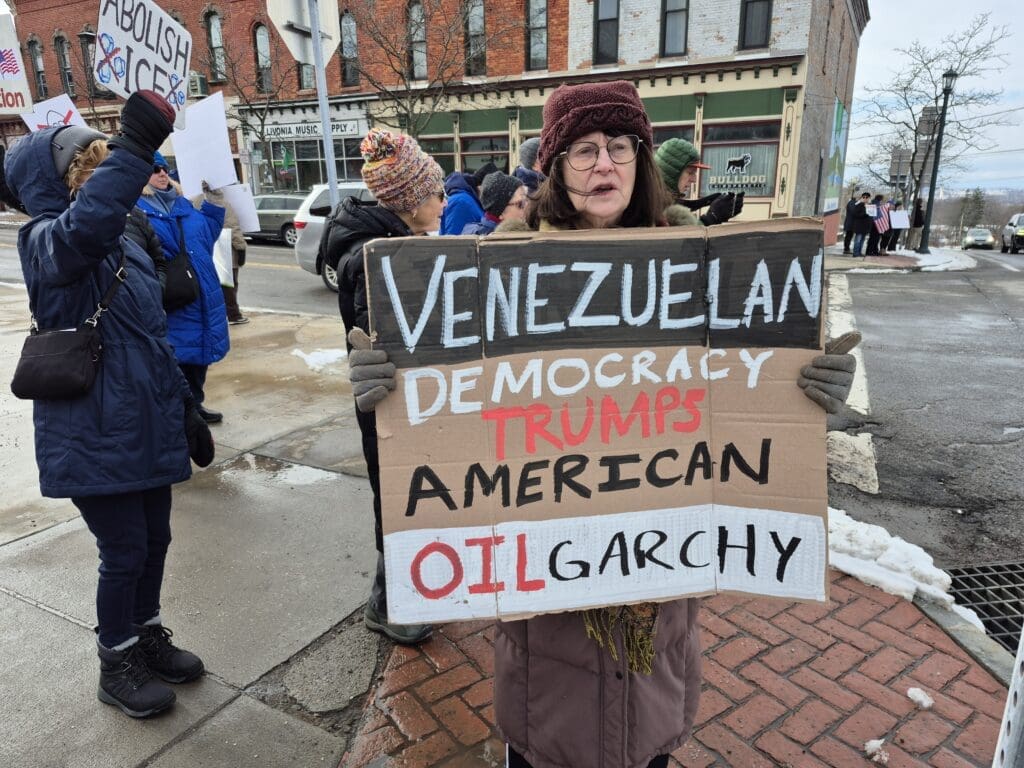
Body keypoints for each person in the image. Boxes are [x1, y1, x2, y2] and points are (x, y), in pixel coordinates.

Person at [346, 79, 858, 768]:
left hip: (658, 599)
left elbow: (743, 410)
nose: (603, 165)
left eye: (619, 146)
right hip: (548, 634)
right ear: (555, 165)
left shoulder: (702, 269)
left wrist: (804, 395)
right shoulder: (496, 273)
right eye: (583, 149)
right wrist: (390, 390)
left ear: (642, 158)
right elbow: (455, 418)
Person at [0, 92, 214, 719]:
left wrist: (185, 408)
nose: (100, 178)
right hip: (92, 428)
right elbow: (86, 225)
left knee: (155, 540)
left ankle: (145, 633)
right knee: (122, 551)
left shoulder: (126, 242)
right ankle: (115, 662)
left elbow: (151, 339)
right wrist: (135, 145)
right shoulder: (47, 242)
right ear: (55, 184)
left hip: (144, 419)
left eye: (103, 163)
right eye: (86, 168)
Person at [321, 127, 445, 645]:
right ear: (410, 200)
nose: (443, 200)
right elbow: (400, 343)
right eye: (435, 192)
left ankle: (392, 593)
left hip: (402, 400)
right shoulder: (378, 259)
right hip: (389, 403)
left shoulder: (394, 245)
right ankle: (388, 604)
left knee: (403, 494)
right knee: (399, 496)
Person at [136, 151, 228, 424]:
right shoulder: (138, 209)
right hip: (172, 297)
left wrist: (214, 201)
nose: (163, 173)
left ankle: (195, 406)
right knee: (177, 359)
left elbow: (208, 233)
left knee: (199, 356)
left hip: (201, 294)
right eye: (155, 169)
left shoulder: (183, 205)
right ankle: (181, 413)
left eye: (165, 168)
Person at [193, 181, 249, 325]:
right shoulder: (223, 203)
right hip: (225, 249)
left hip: (204, 248)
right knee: (229, 284)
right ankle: (233, 314)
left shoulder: (193, 200)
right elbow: (232, 227)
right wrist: (241, 247)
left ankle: (213, 314)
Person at [653, 137, 743, 225]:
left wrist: (700, 203)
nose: (694, 180)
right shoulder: (653, 209)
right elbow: (684, 237)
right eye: (690, 173)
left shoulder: (655, 200)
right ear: (671, 172)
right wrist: (712, 217)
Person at [439, 161, 497, 235]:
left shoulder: (470, 200)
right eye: (492, 189)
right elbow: (453, 241)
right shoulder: (461, 202)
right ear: (481, 186)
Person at [461, 172, 527, 234]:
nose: (526, 208)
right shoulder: (497, 240)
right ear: (501, 212)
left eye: (526, 201)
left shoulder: (474, 232)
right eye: (521, 204)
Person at [851, 192, 874, 257]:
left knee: (862, 240)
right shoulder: (858, 205)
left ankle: (859, 252)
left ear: (869, 198)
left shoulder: (870, 206)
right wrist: (865, 213)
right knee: (858, 240)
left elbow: (872, 216)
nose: (865, 199)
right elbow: (856, 214)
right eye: (864, 197)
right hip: (859, 226)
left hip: (866, 226)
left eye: (867, 197)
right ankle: (855, 253)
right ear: (861, 198)